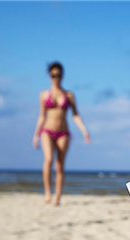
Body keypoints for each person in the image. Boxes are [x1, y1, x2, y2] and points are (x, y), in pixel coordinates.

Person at [33, 62, 91, 206]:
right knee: (48, 159)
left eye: (58, 75)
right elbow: (41, 116)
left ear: (62, 76)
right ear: (49, 76)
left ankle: (58, 196)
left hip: (63, 133)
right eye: (53, 75)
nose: (56, 78)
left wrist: (84, 131)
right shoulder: (44, 95)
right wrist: (36, 134)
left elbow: (75, 115)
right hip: (47, 131)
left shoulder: (69, 95)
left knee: (60, 165)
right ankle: (47, 192)